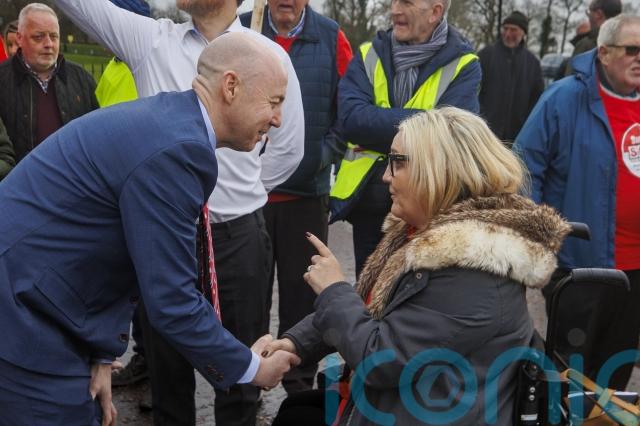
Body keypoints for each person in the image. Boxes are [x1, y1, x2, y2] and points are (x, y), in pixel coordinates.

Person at [0, 32, 301, 426]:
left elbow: (126, 252)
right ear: (231, 86)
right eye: (274, 102)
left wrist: (101, 355)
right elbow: (171, 299)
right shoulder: (178, 149)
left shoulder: (172, 125)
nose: (278, 119)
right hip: (22, 317)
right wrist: (251, 368)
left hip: (38, 303)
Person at [266, 106, 571, 425]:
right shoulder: (425, 235)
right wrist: (296, 343)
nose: (385, 176)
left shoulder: (476, 272)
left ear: (439, 170)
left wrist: (333, 290)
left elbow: (381, 359)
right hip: (401, 405)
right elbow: (372, 307)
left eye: (397, 162)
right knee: (295, 413)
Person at [514, 14, 640, 389]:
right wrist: (541, 246)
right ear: (603, 52)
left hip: (634, 274)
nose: (639, 58)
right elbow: (523, 169)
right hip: (579, 268)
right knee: (571, 378)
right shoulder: (564, 99)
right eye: (631, 49)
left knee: (615, 376)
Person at [239, 0, 352, 394]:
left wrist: (324, 154)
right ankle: (246, 378)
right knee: (248, 295)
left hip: (305, 195)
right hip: (248, 198)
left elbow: (348, 105)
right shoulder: (241, 29)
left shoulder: (331, 37)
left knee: (302, 294)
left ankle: (298, 384)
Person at [331, 0, 481, 277]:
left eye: (407, 2)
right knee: (369, 289)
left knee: (417, 291)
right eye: (394, 1)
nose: (395, 10)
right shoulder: (368, 54)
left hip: (428, 204)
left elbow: (453, 131)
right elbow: (352, 120)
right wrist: (428, 119)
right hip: (370, 204)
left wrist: (378, 125)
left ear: (435, 12)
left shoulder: (465, 64)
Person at [94, 0, 152, 390]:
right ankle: (132, 356)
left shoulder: (144, 61)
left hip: (140, 189)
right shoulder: (112, 68)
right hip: (112, 189)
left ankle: (152, 366)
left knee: (148, 282)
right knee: (122, 279)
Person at [0, 4, 98, 165]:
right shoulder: (3, 79)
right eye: (38, 37)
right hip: (19, 179)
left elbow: (95, 137)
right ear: (19, 38)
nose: (49, 44)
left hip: (73, 178)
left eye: (54, 36)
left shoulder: (82, 79)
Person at [478, 11, 544, 144]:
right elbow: (473, 92)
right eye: (505, 29)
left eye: (513, 30)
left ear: (523, 33)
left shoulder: (533, 64)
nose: (508, 34)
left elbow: (537, 102)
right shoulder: (485, 56)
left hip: (516, 138)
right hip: (484, 135)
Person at [565, 0, 622, 75]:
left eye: (589, 12)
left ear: (598, 14)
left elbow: (571, 79)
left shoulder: (585, 45)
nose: (588, 17)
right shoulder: (627, 45)